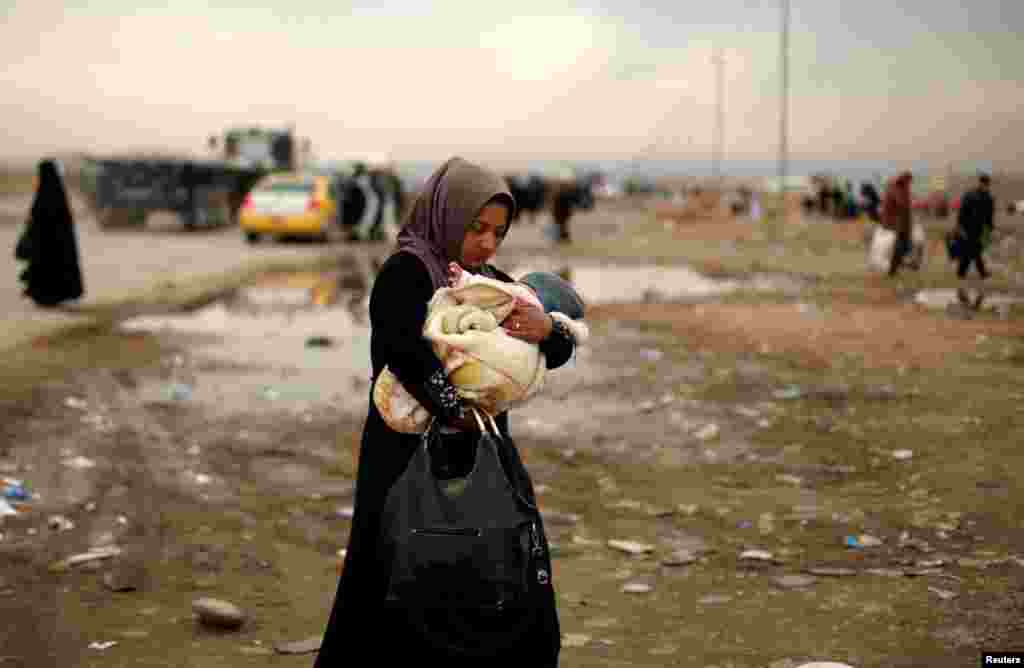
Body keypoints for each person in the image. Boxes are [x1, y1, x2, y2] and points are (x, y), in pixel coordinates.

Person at [313, 156, 575, 667]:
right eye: (476, 228)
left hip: (480, 455)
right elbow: (405, 351)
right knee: (390, 580)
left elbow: (552, 346)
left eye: (498, 232)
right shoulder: (406, 272)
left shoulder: (489, 283)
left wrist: (548, 331)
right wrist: (457, 410)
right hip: (403, 459)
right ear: (447, 216)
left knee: (492, 571)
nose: (487, 243)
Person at [15, 159, 84, 307]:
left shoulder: (42, 194)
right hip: (56, 245)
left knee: (44, 269)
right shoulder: (59, 194)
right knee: (55, 269)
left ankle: (45, 296)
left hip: (43, 245)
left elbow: (35, 219)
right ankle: (53, 295)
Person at [954, 173, 995, 282]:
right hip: (970, 228)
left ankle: (961, 272)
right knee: (973, 251)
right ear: (981, 183)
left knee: (973, 251)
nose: (986, 186)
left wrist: (990, 229)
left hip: (979, 229)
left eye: (987, 184)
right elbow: (962, 212)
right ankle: (980, 273)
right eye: (985, 184)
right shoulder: (972, 195)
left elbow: (989, 215)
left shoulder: (987, 197)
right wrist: (960, 226)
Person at [881, 171, 914, 277]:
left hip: (902, 222)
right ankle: (893, 269)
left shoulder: (901, 188)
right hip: (897, 222)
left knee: (905, 245)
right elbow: (901, 203)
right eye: (908, 181)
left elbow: (905, 205)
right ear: (904, 180)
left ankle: (896, 266)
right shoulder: (896, 188)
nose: (909, 184)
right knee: (900, 246)